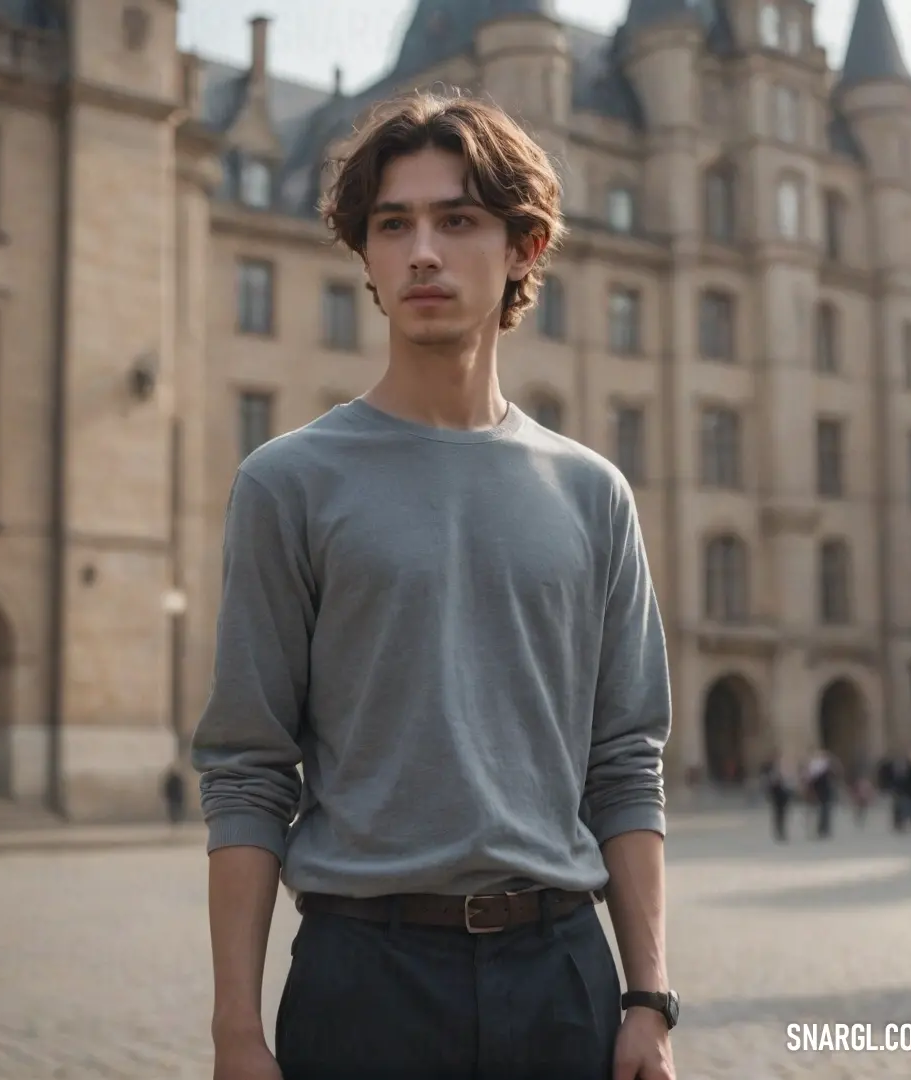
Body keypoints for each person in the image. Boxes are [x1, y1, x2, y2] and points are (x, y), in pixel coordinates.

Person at [191, 92, 678, 1080]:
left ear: (523, 247)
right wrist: (236, 1030)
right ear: (363, 256)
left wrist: (650, 999)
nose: (423, 251)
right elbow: (247, 771)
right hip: (361, 978)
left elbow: (625, 764)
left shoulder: (594, 493)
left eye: (457, 220)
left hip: (562, 979)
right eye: (393, 224)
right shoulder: (288, 483)